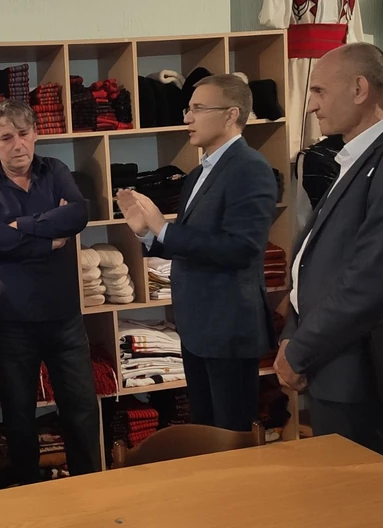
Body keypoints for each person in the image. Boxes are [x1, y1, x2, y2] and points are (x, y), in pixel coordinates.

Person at [276, 43, 383, 459]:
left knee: (357, 488)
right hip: (333, 360)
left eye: (319, 91)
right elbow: (316, 260)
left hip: (360, 368)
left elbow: (373, 277)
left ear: (359, 89)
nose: (312, 105)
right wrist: (292, 333)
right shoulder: (357, 156)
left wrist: (300, 349)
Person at [117, 74, 277, 432]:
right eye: (188, 109)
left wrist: (164, 228)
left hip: (228, 327)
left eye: (198, 108)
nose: (187, 117)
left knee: (232, 435)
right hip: (197, 327)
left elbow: (242, 248)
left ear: (231, 114)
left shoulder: (250, 168)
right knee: (204, 430)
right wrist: (146, 232)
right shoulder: (198, 173)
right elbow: (189, 242)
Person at [0, 99, 100, 485]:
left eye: (24, 134)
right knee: (18, 416)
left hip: (64, 316)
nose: (17, 144)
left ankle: (92, 487)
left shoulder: (55, 169)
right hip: (11, 319)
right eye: (6, 137)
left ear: (36, 134)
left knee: (81, 411)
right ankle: (26, 495)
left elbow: (78, 214)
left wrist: (18, 226)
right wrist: (48, 239)